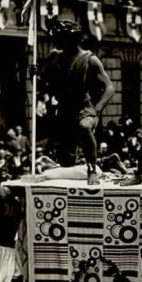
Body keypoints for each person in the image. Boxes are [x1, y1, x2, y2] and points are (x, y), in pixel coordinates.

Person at [39, 19, 115, 184]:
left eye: (60, 38)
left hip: (84, 109)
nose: (57, 42)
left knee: (85, 127)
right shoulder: (55, 57)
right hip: (64, 111)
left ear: (71, 39)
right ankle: (109, 161)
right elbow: (43, 83)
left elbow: (109, 88)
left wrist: (97, 109)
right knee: (67, 162)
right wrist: (36, 73)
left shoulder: (89, 60)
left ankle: (92, 170)